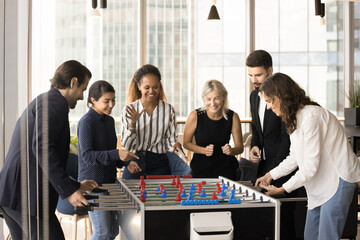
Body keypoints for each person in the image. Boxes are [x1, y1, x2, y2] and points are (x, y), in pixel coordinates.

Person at [0, 60, 99, 240]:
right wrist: (69, 191)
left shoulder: (46, 100)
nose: (82, 97)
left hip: (13, 197)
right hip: (26, 199)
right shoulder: (55, 103)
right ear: (73, 82)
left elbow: (41, 154)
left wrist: (75, 186)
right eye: (83, 90)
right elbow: (42, 147)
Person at [255, 72, 360, 240]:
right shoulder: (294, 118)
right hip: (320, 183)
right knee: (310, 236)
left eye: (269, 101)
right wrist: (269, 175)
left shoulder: (311, 116)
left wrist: (282, 189)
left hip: (338, 179)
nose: (268, 107)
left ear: (281, 96)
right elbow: (294, 157)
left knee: (327, 236)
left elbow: (310, 166)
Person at [77, 80, 139, 239]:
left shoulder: (110, 121)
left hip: (110, 183)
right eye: (106, 101)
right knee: (102, 232)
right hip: (93, 185)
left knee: (113, 232)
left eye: (113, 100)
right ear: (93, 100)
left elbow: (110, 155)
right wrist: (117, 154)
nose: (111, 104)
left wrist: (126, 163)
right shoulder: (86, 123)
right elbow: (87, 156)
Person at [121, 64, 187, 179]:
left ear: (159, 86)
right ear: (139, 86)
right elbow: (126, 145)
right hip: (134, 161)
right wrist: (133, 124)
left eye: (155, 87)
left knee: (163, 196)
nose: (151, 91)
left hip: (159, 163)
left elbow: (170, 139)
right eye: (147, 87)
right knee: (128, 194)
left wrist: (175, 144)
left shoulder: (168, 109)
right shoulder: (129, 110)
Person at [246, 50, 292, 184]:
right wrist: (254, 146)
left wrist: (272, 172)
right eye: (250, 75)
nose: (254, 80)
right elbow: (255, 128)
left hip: (283, 168)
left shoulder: (282, 97)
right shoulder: (254, 96)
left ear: (270, 70)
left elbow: (287, 139)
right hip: (263, 167)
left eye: (258, 75)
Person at [183, 80, 243, 180]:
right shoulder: (195, 115)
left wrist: (231, 150)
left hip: (226, 169)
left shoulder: (233, 116)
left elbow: (240, 147)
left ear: (224, 97)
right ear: (203, 99)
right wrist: (204, 150)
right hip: (200, 168)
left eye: (217, 98)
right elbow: (186, 143)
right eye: (208, 99)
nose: (212, 103)